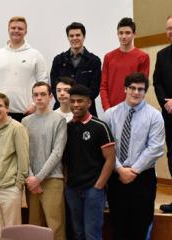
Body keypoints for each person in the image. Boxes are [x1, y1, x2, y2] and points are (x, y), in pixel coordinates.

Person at [102, 72, 165, 240]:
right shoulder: (110, 114)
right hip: (116, 177)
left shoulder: (155, 116)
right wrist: (120, 169)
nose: (136, 92)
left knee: (141, 225)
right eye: (132, 88)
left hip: (143, 177)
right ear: (125, 89)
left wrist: (134, 170)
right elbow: (105, 147)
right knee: (118, 224)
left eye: (141, 89)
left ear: (145, 92)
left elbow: (156, 148)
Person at [63, 85, 115, 240]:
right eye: (72, 101)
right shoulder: (67, 128)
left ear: (89, 103)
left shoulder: (100, 127)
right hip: (72, 189)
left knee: (92, 234)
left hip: (93, 190)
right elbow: (65, 159)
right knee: (77, 233)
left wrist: (98, 186)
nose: (76, 105)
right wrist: (67, 183)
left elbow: (110, 159)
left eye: (80, 101)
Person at [21, 82, 67, 240]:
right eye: (36, 95)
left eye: (43, 94)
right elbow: (23, 153)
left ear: (50, 97)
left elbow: (57, 152)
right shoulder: (25, 122)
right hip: (31, 181)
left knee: (55, 226)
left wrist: (39, 178)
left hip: (52, 179)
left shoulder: (59, 120)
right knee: (34, 227)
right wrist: (32, 177)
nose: (39, 98)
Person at [0, 93, 29, 237]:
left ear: (7, 108)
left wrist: (18, 186)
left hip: (9, 188)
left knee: (12, 232)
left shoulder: (17, 128)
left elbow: (23, 159)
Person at [0, 16, 48, 122]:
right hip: (1, 112)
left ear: (25, 32)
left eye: (20, 28)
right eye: (13, 28)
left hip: (27, 112)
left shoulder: (35, 55)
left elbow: (44, 83)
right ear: (8, 30)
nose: (16, 31)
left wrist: (34, 104)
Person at [50, 22, 101, 116]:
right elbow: (54, 86)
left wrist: (78, 102)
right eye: (71, 36)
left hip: (86, 111)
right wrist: (65, 101)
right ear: (68, 38)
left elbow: (95, 89)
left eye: (78, 35)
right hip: (61, 110)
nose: (74, 38)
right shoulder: (58, 60)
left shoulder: (94, 61)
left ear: (84, 37)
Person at [100, 17, 150, 111]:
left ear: (134, 34)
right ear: (117, 34)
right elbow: (103, 86)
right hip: (112, 110)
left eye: (127, 33)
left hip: (133, 110)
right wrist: (107, 109)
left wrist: (133, 109)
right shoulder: (108, 57)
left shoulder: (143, 57)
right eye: (121, 33)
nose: (123, 36)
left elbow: (142, 87)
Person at [153, 16, 172, 191]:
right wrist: (166, 103)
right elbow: (156, 82)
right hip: (169, 114)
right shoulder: (162, 55)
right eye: (168, 28)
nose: (170, 31)